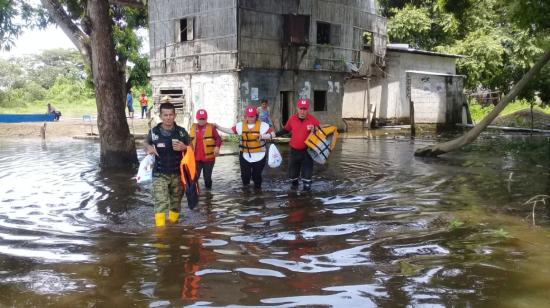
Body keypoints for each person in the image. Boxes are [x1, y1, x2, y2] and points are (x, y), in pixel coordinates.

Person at [145, 102, 190, 227]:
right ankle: (160, 232)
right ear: (160, 116)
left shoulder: (181, 133)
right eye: (165, 115)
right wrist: (149, 147)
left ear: (175, 115)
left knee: (176, 203)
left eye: (171, 114)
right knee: (161, 201)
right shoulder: (153, 132)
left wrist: (184, 147)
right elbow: (145, 143)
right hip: (159, 173)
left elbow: (192, 147)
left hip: (178, 174)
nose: (168, 117)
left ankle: (173, 227)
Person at [264, 98, 320, 191]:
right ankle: (294, 201)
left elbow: (322, 132)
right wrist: (270, 135)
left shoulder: (312, 119)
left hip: (308, 152)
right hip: (294, 152)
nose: (302, 111)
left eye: (304, 109)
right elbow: (285, 130)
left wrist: (315, 128)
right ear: (297, 108)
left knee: (307, 184)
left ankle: (306, 202)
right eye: (300, 109)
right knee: (293, 181)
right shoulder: (292, 118)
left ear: (307, 109)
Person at [217, 106, 273, 189]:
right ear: (245, 116)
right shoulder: (240, 125)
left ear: (256, 116)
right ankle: (246, 195)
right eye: (248, 116)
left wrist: (263, 136)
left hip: (260, 155)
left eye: (252, 116)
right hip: (245, 155)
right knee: (245, 176)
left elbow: (273, 134)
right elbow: (230, 130)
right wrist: (217, 127)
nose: (250, 118)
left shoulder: (263, 125)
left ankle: (258, 194)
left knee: (257, 177)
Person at [189, 109, 222, 190]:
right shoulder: (193, 127)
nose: (202, 120)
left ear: (206, 118)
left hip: (209, 159)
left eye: (203, 118)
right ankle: (194, 194)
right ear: (197, 118)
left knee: (207, 178)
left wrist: (217, 147)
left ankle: (208, 194)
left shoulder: (211, 127)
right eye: (200, 119)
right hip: (196, 158)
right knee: (194, 178)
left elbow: (218, 139)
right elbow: (188, 141)